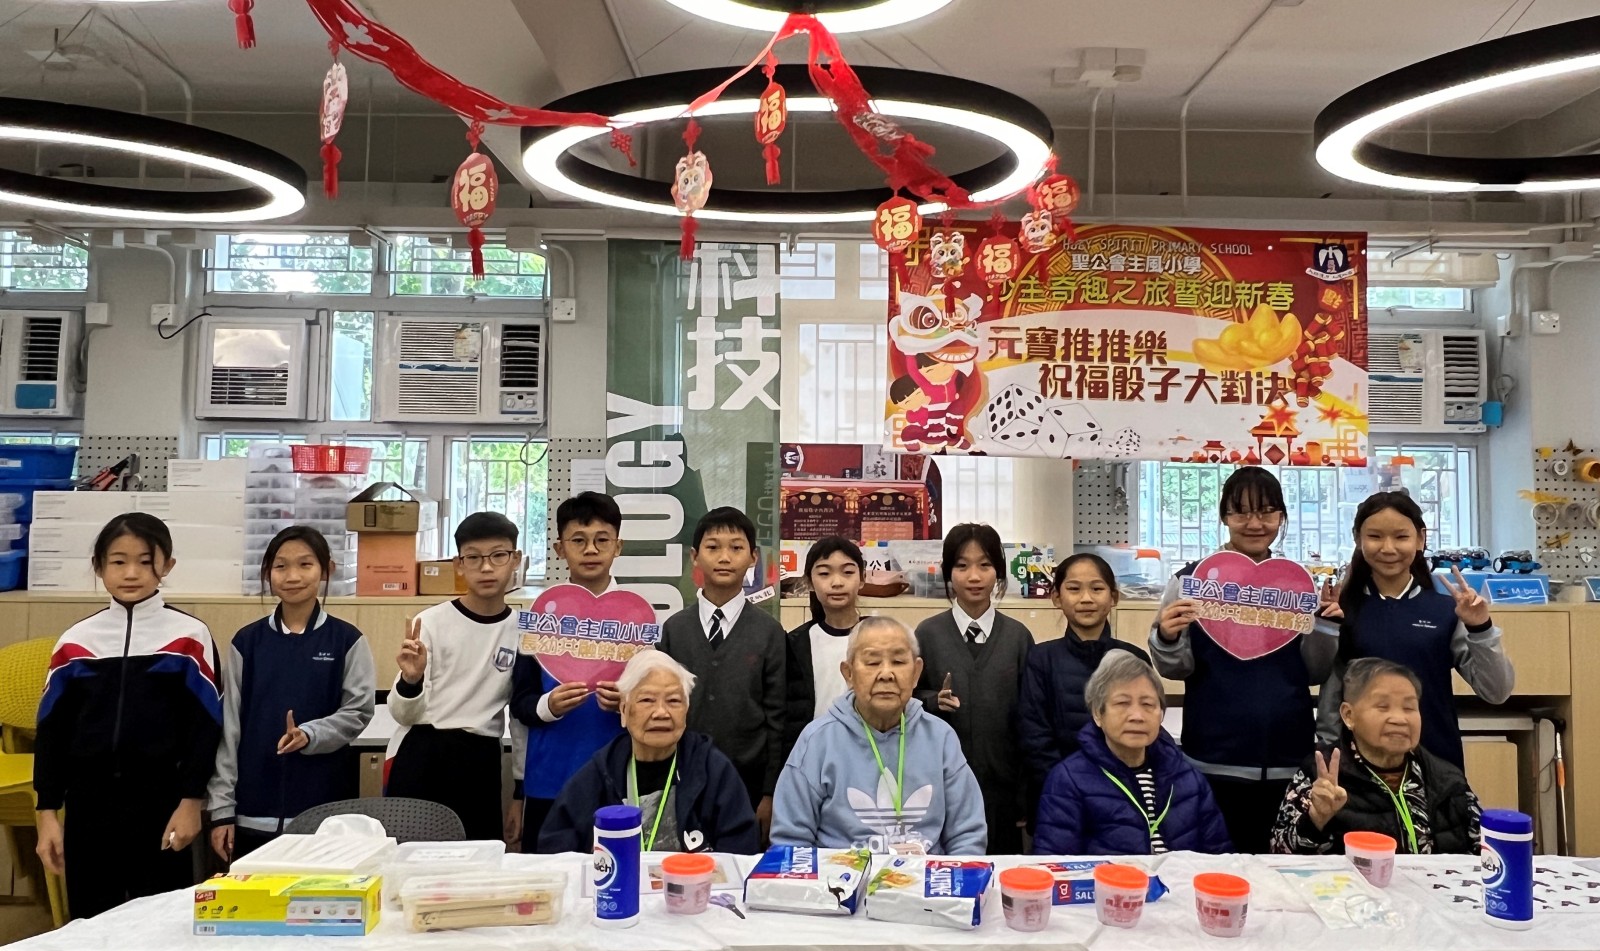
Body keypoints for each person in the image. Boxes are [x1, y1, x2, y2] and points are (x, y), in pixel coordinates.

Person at [33, 514, 223, 919]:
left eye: (145, 561)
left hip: (162, 802)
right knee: (91, 921)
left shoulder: (189, 638)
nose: (131, 573)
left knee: (160, 921)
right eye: (118, 561)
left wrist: (192, 801)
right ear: (99, 567)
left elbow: (205, 729)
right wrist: (46, 812)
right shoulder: (75, 642)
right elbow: (51, 732)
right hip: (88, 804)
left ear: (167, 565)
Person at [1148, 466, 1338, 853]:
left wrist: (1327, 627)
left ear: (1282, 516)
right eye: (1242, 512)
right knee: (1215, 870)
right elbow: (1174, 668)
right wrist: (1167, 636)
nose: (1255, 523)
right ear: (1224, 516)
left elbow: (1315, 672)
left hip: (1288, 758)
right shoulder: (1192, 581)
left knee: (1284, 869)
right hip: (1212, 757)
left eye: (1267, 511)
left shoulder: (1297, 584)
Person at [209, 527, 376, 861]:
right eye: (281, 566)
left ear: (326, 570)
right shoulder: (247, 642)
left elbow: (358, 711)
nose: (293, 576)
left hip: (324, 812)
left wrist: (310, 734)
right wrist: (222, 809)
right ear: (267, 572)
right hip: (252, 811)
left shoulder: (347, 640)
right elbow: (229, 729)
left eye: (305, 564)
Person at [1317, 491, 1513, 769]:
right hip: (1359, 771)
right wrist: (1328, 758)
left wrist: (1480, 627)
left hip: (1437, 766)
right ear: (1358, 539)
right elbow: (1330, 704)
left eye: (1401, 537)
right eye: (1375, 536)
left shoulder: (1445, 610)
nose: (1388, 548)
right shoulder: (1343, 610)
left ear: (1420, 539)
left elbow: (1497, 691)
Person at [773, 616, 987, 855]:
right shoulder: (817, 741)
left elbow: (967, 834)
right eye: (873, 662)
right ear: (848, 673)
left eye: (898, 661)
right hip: (840, 876)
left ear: (916, 672)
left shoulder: (940, 738)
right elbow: (790, 841)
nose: (886, 674)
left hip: (925, 876)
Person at [386, 512, 523, 843]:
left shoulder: (522, 631)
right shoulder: (431, 622)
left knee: (478, 861)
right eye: (473, 558)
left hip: (481, 758)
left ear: (516, 559)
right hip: (422, 752)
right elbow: (402, 715)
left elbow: (520, 718)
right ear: (458, 565)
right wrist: (411, 681)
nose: (486, 568)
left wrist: (520, 788)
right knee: (410, 861)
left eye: (498, 555)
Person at [537, 651, 759, 854]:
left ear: (686, 711)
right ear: (624, 711)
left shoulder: (712, 769)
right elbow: (556, 848)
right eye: (647, 700)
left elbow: (741, 848)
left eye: (673, 701)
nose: (661, 712)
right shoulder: (601, 771)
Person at [658, 507, 785, 839]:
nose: (724, 557)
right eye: (713, 547)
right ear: (695, 556)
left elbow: (778, 718)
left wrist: (770, 792)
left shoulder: (769, 632)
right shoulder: (674, 629)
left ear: (753, 557)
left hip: (749, 783)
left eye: (736, 547)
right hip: (681, 776)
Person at [511, 492, 626, 850]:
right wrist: (548, 706)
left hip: (618, 777)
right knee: (546, 875)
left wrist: (626, 702)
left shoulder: (636, 618)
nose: (590, 550)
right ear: (560, 549)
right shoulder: (540, 618)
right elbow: (520, 702)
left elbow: (655, 700)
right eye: (578, 540)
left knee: (616, 869)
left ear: (618, 546)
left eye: (602, 540)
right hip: (550, 777)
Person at [1272, 658, 1481, 855]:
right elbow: (1279, 854)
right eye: (1383, 707)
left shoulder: (1447, 779)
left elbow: (1485, 854)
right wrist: (1315, 820)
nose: (1399, 719)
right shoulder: (1320, 774)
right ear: (1348, 715)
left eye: (1409, 707)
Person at [1033, 652, 1230, 855]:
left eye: (1148, 705)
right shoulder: (1068, 780)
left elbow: (1219, 859)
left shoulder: (1189, 778)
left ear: (1161, 714)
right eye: (1122, 703)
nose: (1137, 716)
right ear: (1098, 714)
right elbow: (1054, 863)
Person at [912, 523, 1032, 854]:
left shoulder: (1018, 638)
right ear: (949, 573)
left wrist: (1025, 793)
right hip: (939, 786)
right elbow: (906, 701)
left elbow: (1031, 720)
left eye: (985, 565)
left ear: (999, 572)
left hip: (1002, 790)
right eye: (962, 566)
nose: (974, 576)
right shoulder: (928, 634)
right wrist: (931, 701)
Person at [1019, 554, 1152, 797]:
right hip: (1060, 795)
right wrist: (1068, 789)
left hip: (1124, 794)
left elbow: (1145, 732)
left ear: (1113, 597)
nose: (1086, 598)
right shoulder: (1041, 659)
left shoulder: (1135, 658)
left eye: (1097, 588)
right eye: (1074, 589)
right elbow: (1035, 738)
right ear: (1056, 598)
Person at [784, 536, 865, 759]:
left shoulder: (881, 636)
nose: (837, 582)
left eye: (847, 572)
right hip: (812, 754)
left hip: (869, 751)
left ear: (862, 579)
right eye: (824, 573)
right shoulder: (795, 643)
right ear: (809, 582)